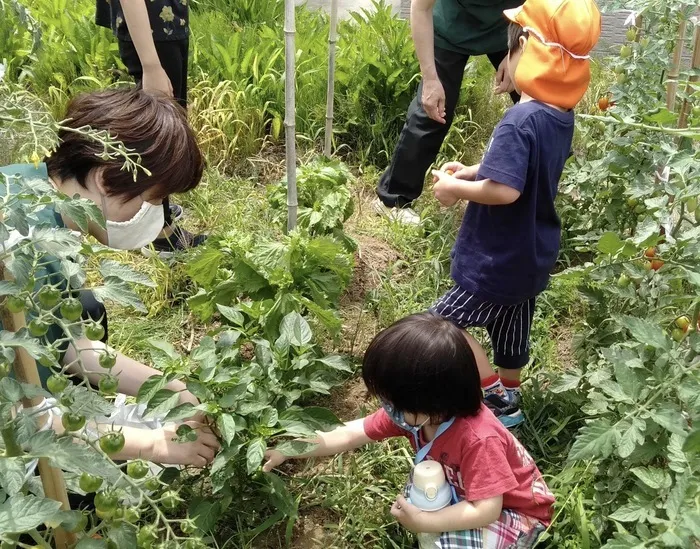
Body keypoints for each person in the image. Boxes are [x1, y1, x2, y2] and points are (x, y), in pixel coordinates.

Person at [1, 88, 219, 466]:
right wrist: (151, 445)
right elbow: (22, 418)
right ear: (105, 179)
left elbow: (70, 346)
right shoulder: (24, 251)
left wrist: (173, 390)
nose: (154, 214)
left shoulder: (31, 190)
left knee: (85, 308)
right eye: (150, 200)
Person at [429, 0, 601, 427]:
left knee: (445, 325)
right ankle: (513, 398)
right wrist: (473, 170)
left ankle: (492, 396)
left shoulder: (519, 120)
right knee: (510, 329)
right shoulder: (559, 115)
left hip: (495, 257)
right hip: (532, 255)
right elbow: (525, 168)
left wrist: (455, 188)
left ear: (527, 47)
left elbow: (505, 189)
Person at [263, 313, 554, 548]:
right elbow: (350, 433)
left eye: (395, 402)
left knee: (449, 542)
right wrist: (289, 450)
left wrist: (425, 524)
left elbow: (487, 510)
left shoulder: (478, 438)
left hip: (515, 512)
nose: (388, 409)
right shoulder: (416, 413)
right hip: (468, 490)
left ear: (434, 401)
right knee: (420, 498)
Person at [373, 0, 523, 225]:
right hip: (451, 27)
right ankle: (393, 199)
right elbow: (421, 8)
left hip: (513, 26)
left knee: (539, 96)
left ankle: (562, 179)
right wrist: (431, 79)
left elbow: (545, 7)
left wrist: (518, 51)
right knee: (432, 112)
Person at [95, 0, 206, 257]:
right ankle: (160, 235)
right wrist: (151, 66)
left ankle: (155, 211)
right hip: (152, 33)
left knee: (168, 126)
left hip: (162, 26)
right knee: (160, 136)